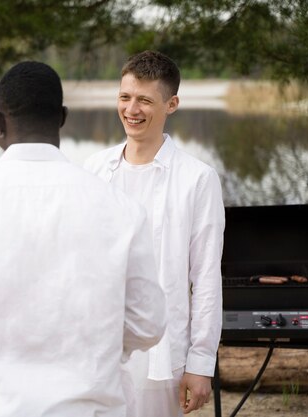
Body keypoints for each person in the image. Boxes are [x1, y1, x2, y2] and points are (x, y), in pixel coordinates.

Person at [0, 61, 166, 417]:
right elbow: (147, 322)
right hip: (90, 406)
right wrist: (100, 348)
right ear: (63, 118)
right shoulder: (120, 207)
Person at [84, 50, 225, 416]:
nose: (132, 109)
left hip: (163, 352)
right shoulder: (94, 170)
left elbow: (206, 276)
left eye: (145, 100)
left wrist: (200, 363)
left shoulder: (198, 179)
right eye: (125, 97)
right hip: (96, 346)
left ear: (171, 103)